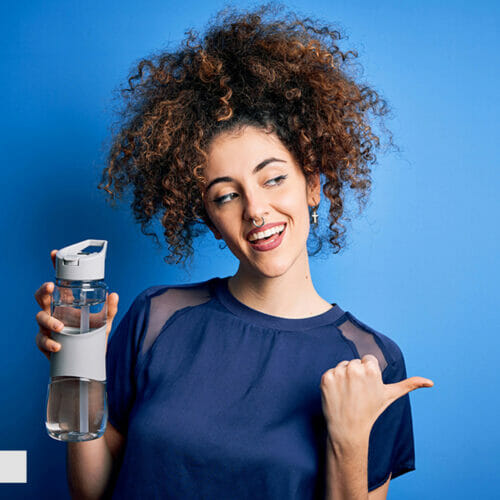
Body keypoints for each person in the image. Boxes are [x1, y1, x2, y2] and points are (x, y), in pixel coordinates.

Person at [34, 3, 434, 499]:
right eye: (226, 194)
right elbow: (91, 492)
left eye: (274, 178)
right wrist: (78, 364)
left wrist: (349, 441)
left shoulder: (371, 362)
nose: (256, 210)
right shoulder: (156, 318)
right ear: (208, 216)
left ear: (312, 182)